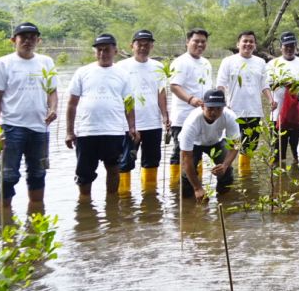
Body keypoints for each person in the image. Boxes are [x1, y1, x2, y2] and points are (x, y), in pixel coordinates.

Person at [0, 22, 57, 210]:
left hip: (40, 128)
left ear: (38, 40)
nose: (28, 41)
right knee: (8, 175)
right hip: (12, 127)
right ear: (13, 40)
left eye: (32, 37)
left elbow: (52, 91)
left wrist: (53, 109)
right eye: (23, 37)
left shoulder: (46, 62)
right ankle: (3, 218)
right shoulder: (2, 63)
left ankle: (36, 218)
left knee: (38, 173)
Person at [66, 33, 137, 200]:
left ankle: (112, 205)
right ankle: (85, 205)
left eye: (107, 50)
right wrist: (69, 131)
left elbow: (129, 103)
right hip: (87, 131)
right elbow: (71, 103)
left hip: (113, 131)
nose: (102, 53)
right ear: (94, 52)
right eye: (99, 50)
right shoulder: (82, 72)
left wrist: (132, 127)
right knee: (84, 173)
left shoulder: (122, 74)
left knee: (113, 168)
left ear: (115, 51)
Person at [117, 29, 169, 195]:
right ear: (132, 46)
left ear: (152, 46)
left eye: (147, 44)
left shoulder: (158, 67)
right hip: (128, 125)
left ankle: (150, 198)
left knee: (152, 162)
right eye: (139, 44)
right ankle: (123, 199)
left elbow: (161, 93)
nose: (143, 48)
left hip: (153, 122)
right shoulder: (121, 67)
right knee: (125, 162)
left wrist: (165, 116)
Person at [217, 31, 273, 167]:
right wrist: (221, 105)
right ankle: (227, 172)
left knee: (249, 147)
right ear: (238, 44)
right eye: (245, 41)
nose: (248, 44)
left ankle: (245, 179)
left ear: (255, 45)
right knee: (233, 145)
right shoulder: (228, 61)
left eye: (251, 41)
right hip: (233, 112)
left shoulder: (260, 62)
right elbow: (220, 85)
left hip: (254, 112)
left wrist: (271, 100)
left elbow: (264, 85)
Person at [177, 89, 241, 201]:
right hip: (194, 144)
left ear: (224, 107)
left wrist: (225, 165)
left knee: (227, 172)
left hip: (216, 142)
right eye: (210, 108)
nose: (214, 112)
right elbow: (186, 158)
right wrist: (198, 188)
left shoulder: (230, 116)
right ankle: (189, 206)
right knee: (186, 177)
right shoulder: (192, 122)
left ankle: (223, 202)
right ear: (202, 106)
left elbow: (236, 145)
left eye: (218, 109)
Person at [167, 28, 212, 183]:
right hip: (183, 118)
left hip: (201, 117)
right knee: (180, 153)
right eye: (196, 41)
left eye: (203, 42)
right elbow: (174, 86)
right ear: (187, 42)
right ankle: (176, 187)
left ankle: (193, 187)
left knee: (196, 153)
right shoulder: (180, 62)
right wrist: (190, 99)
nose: (200, 44)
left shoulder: (206, 63)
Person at [268, 31, 299, 166]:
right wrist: (283, 83)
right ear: (281, 47)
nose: (289, 49)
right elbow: (267, 84)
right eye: (286, 46)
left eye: (292, 46)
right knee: (277, 155)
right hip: (278, 116)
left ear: (296, 47)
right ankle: (277, 185)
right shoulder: (273, 64)